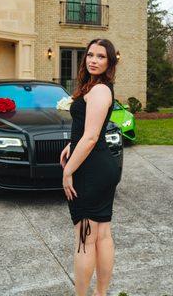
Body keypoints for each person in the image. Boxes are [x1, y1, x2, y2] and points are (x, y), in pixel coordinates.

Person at [60, 38, 120, 296]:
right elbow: (84, 132)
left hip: (91, 169)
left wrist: (68, 170)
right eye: (90, 55)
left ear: (109, 62)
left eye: (101, 56)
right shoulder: (96, 87)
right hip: (99, 164)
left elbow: (92, 136)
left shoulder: (99, 90)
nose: (94, 60)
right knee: (102, 233)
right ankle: (101, 294)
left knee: (85, 238)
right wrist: (71, 146)